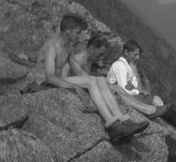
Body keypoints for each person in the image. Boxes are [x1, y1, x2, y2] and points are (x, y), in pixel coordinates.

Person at [25, 14, 148, 142]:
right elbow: (49, 77)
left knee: (99, 79)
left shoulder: (68, 47)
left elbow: (78, 70)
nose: (79, 36)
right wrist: (76, 86)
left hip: (55, 81)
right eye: (77, 33)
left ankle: (124, 120)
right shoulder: (51, 47)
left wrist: (98, 85)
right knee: (91, 81)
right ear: (68, 31)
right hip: (43, 84)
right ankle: (112, 125)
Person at [106, 39, 176, 138]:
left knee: (162, 103)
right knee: (158, 102)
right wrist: (138, 91)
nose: (137, 57)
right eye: (135, 54)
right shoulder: (120, 66)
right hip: (124, 98)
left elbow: (129, 86)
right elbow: (124, 89)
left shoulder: (127, 65)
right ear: (126, 52)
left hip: (130, 95)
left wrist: (138, 90)